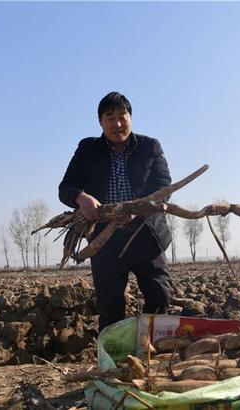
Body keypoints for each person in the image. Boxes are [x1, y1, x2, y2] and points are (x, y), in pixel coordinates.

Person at [59, 91, 173, 332]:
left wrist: (137, 209)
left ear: (131, 117)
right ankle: (114, 360)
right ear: (100, 122)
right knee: (109, 305)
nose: (117, 123)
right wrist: (81, 197)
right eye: (110, 117)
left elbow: (164, 188)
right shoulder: (87, 149)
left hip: (146, 234)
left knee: (160, 295)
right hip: (105, 238)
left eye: (122, 116)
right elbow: (65, 188)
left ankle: (151, 350)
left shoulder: (149, 147)